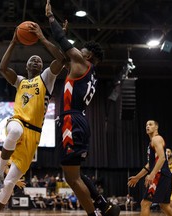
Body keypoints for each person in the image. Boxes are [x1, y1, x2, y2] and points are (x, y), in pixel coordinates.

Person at [45, 1, 119, 216]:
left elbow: (62, 41)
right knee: (71, 176)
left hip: (71, 121)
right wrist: (41, 38)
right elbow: (60, 54)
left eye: (81, 48)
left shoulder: (82, 63)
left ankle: (99, 209)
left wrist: (51, 17)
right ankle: (100, 206)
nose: (77, 49)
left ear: (87, 56)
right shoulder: (85, 70)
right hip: (76, 120)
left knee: (73, 177)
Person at [0, 21, 66, 216]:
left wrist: (41, 38)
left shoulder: (47, 78)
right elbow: (2, 68)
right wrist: (13, 42)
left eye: (39, 60)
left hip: (34, 135)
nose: (36, 61)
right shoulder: (20, 81)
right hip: (18, 122)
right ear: (26, 65)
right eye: (32, 59)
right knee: (14, 130)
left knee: (10, 183)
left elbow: (61, 59)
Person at [128, 120, 172, 215]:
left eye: (150, 124)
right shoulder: (153, 142)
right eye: (146, 125)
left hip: (160, 175)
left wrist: (152, 175)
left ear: (156, 127)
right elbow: (150, 165)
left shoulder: (156, 139)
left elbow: (162, 158)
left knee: (145, 203)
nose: (147, 126)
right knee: (164, 205)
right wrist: (137, 177)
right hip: (165, 176)